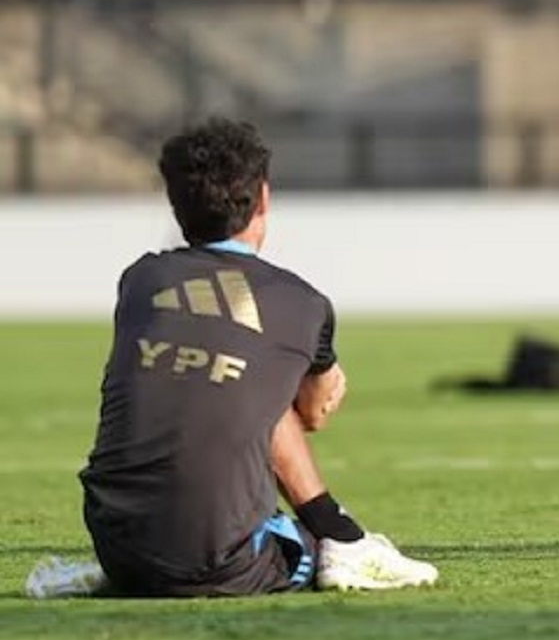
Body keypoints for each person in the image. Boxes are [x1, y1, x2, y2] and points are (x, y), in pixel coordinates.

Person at [25, 118, 438, 598]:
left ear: (177, 206)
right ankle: (345, 540)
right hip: (221, 564)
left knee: (234, 382)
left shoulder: (140, 281)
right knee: (302, 535)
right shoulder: (300, 301)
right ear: (262, 197)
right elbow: (315, 412)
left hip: (116, 548)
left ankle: (336, 541)